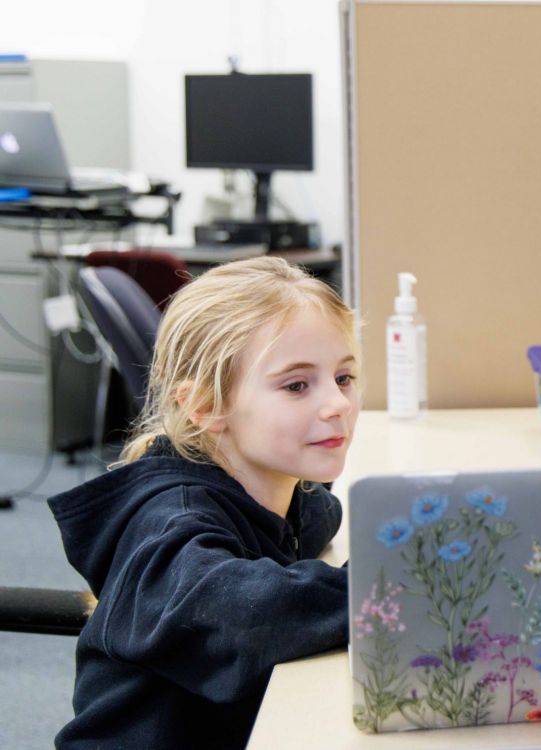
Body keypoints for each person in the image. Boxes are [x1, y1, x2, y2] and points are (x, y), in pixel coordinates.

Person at [49, 256, 358, 749]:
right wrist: (387, 587)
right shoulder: (169, 522)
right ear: (207, 407)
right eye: (297, 385)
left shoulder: (275, 491)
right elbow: (243, 617)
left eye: (343, 377)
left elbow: (321, 514)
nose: (339, 404)